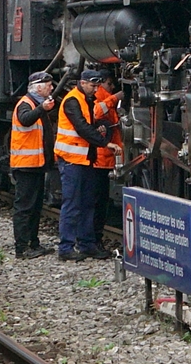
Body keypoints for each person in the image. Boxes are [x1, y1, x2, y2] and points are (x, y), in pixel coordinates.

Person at [54, 64, 121, 260]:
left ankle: (86, 244)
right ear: (82, 83)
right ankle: (66, 248)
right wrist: (105, 143)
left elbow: (88, 125)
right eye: (93, 85)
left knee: (85, 204)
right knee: (73, 204)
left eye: (97, 85)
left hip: (83, 159)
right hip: (72, 160)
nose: (95, 89)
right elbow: (82, 128)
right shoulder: (73, 101)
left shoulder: (86, 100)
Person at [10, 71, 57, 259]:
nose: (51, 88)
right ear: (38, 87)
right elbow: (25, 119)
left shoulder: (36, 104)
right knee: (24, 207)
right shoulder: (25, 104)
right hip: (26, 165)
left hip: (36, 164)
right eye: (48, 85)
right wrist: (42, 109)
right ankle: (22, 248)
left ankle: (33, 243)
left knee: (35, 207)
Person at [89, 75, 123, 249]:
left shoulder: (102, 97)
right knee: (97, 201)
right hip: (100, 159)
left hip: (105, 158)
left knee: (100, 201)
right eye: (109, 83)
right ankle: (94, 240)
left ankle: (95, 239)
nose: (111, 86)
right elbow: (96, 113)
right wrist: (115, 98)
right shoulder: (98, 98)